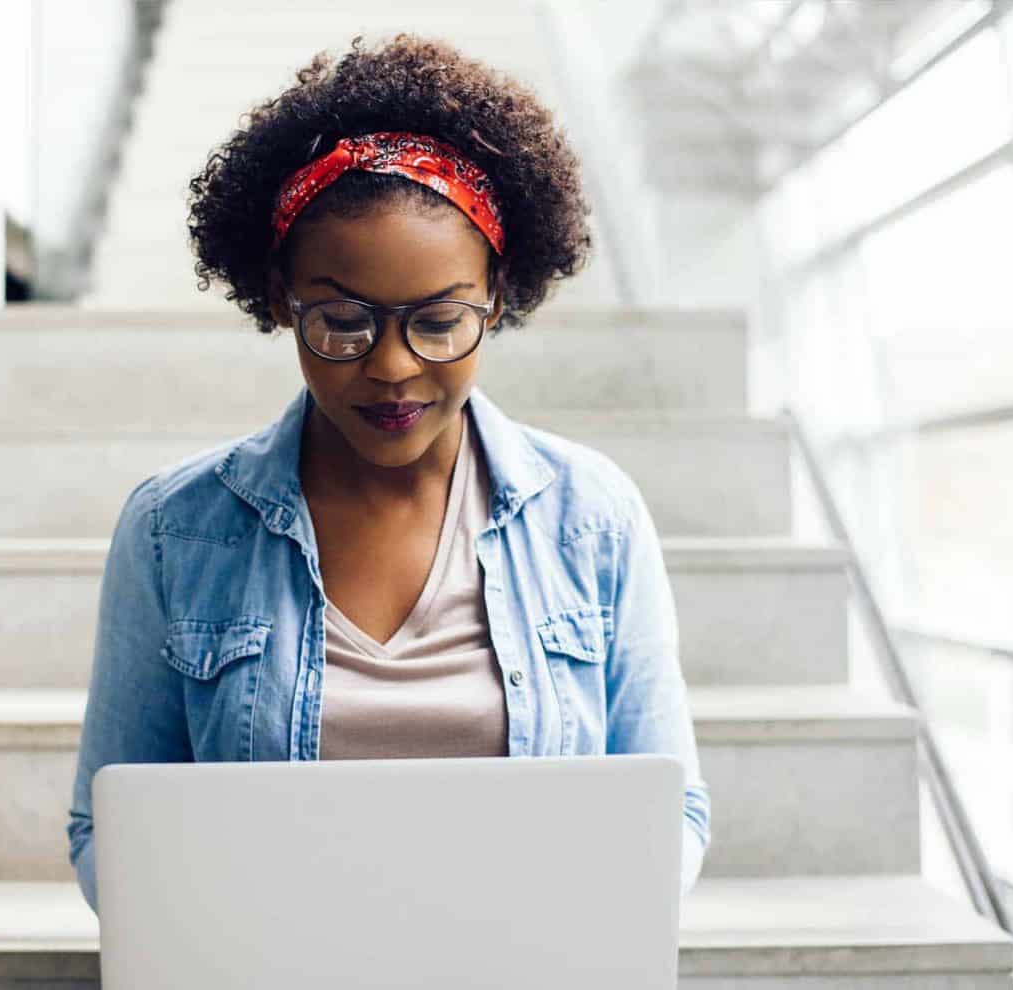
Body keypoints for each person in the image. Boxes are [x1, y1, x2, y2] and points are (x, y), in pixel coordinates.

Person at [67, 33, 708, 912]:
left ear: (497, 297)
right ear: (282, 300)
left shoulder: (592, 517)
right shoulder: (176, 530)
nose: (394, 367)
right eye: (341, 320)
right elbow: (109, 828)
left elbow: (672, 810)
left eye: (441, 321)